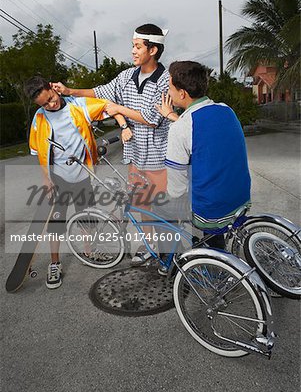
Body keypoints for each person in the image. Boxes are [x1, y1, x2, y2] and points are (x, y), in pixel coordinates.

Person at [52, 23, 170, 264]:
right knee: (141, 205)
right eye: (133, 46)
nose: (133, 51)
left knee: (161, 208)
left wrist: (118, 109)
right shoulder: (127, 76)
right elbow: (100, 91)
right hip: (135, 155)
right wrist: (69, 90)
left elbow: (152, 119)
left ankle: (169, 253)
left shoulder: (165, 80)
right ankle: (150, 247)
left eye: (138, 47)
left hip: (159, 156)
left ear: (153, 50)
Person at [24, 76, 131, 289]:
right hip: (58, 178)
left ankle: (89, 251)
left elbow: (111, 107)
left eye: (51, 98)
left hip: (82, 174)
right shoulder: (39, 118)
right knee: (56, 222)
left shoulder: (78, 106)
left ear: (53, 88)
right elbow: (40, 152)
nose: (51, 104)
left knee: (87, 217)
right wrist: (46, 179)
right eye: (44, 104)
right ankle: (55, 263)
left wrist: (124, 126)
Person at [155, 61, 251, 274]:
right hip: (241, 200)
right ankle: (215, 245)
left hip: (212, 213)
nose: (167, 92)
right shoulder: (226, 109)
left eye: (170, 88)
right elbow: (201, 132)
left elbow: (177, 188)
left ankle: (170, 260)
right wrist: (172, 116)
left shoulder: (180, 128)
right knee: (207, 188)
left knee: (158, 205)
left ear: (181, 93)